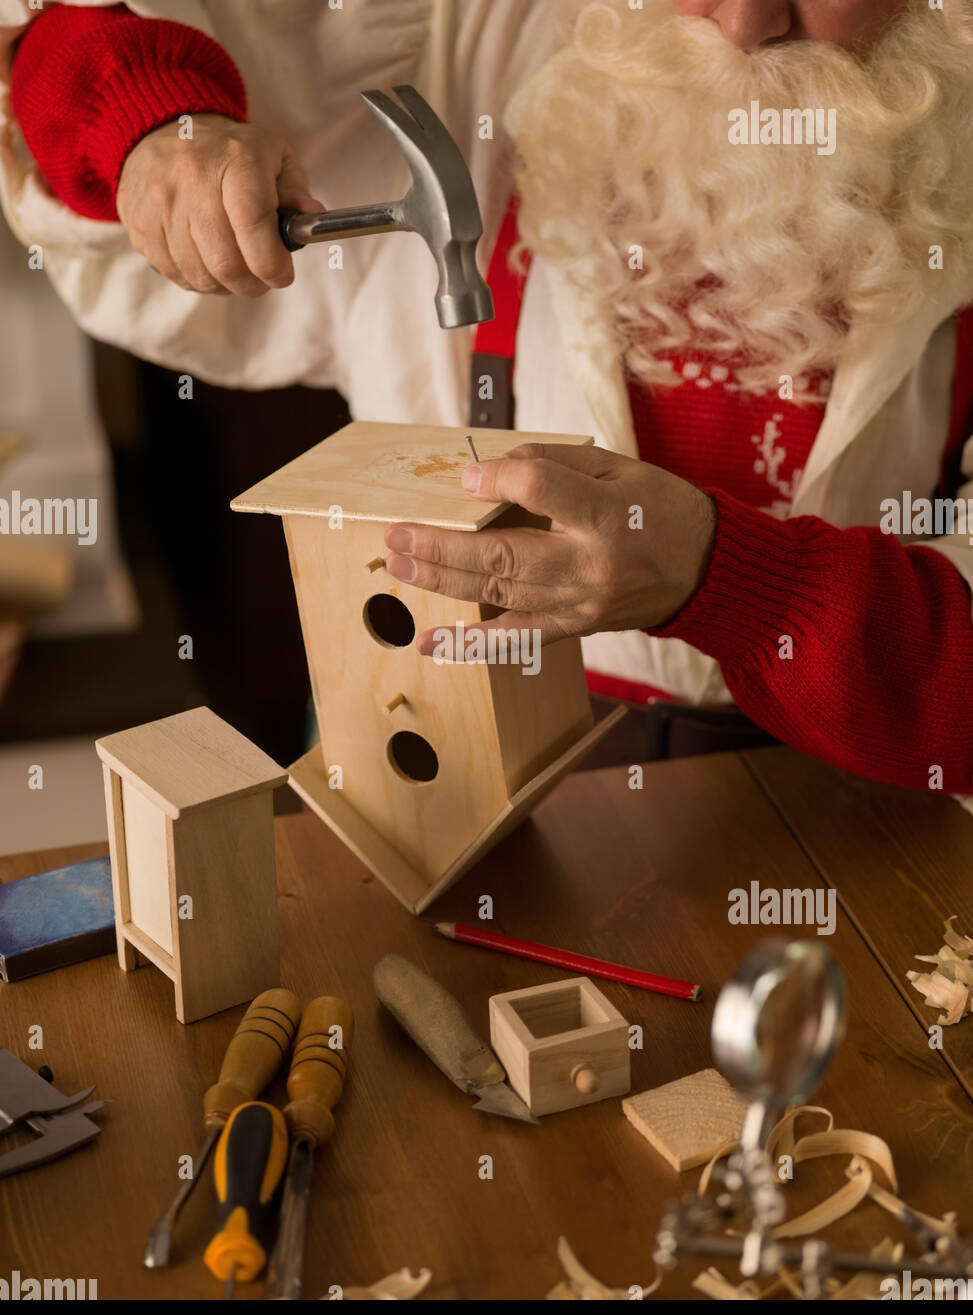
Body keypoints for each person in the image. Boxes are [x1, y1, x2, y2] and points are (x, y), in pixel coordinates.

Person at [3, 0, 973, 800]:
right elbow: (69, 31)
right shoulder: (445, 41)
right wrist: (155, 118)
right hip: (442, 783)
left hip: (859, 819)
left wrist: (724, 581)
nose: (746, 19)